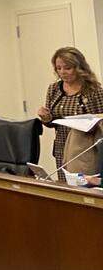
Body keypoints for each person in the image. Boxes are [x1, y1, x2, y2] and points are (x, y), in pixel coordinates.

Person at [37, 46, 103, 181]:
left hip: (84, 150)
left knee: (83, 189)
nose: (62, 72)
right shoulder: (54, 89)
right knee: (65, 187)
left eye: (67, 68)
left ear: (78, 67)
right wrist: (46, 117)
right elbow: (51, 122)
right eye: (58, 68)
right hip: (62, 146)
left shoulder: (93, 90)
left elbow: (101, 120)